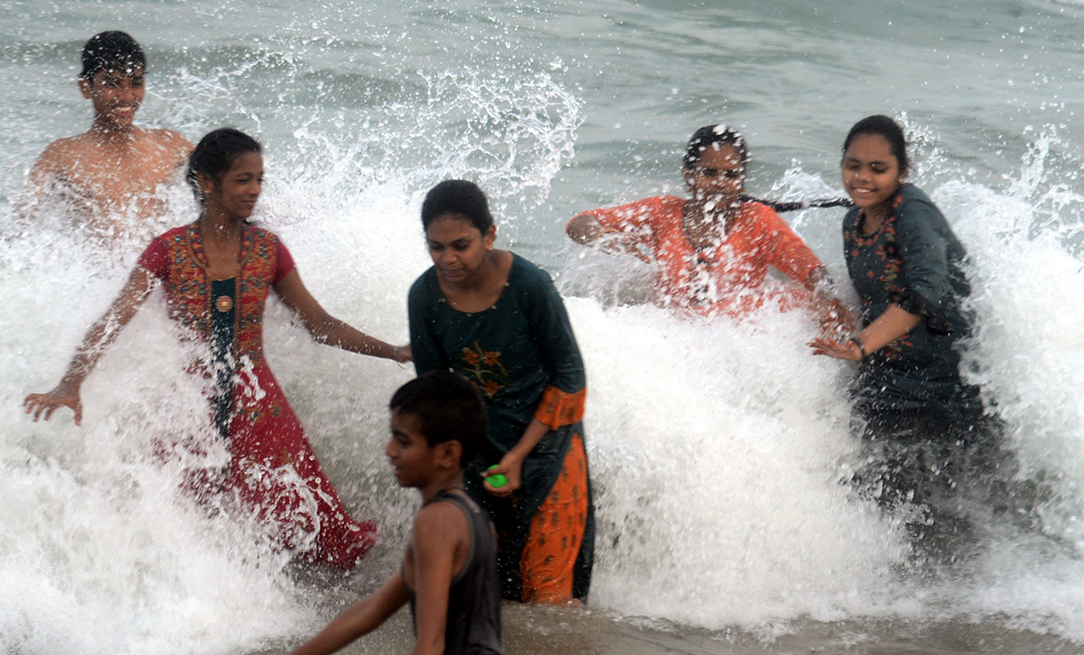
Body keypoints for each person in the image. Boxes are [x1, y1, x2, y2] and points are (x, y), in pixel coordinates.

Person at [24, 128, 410, 568]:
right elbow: (114, 319)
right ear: (207, 182)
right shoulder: (167, 250)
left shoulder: (268, 250)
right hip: (190, 404)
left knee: (310, 524)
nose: (255, 191)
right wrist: (70, 384)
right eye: (243, 179)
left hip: (257, 404)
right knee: (190, 520)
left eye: (259, 179)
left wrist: (393, 351)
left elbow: (319, 325)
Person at [808, 115, 1003, 531]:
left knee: (934, 511)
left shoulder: (913, 212)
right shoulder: (852, 223)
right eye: (853, 165)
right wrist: (837, 314)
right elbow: (875, 295)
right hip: (886, 378)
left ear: (902, 172)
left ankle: (943, 592)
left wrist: (860, 345)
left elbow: (924, 293)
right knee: (858, 486)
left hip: (945, 384)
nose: (862, 177)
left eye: (878, 169)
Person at [408, 180, 593, 606]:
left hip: (548, 446)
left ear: (490, 235)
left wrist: (517, 456)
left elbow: (570, 377)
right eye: (436, 247)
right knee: (484, 589)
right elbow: (435, 391)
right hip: (477, 453)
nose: (448, 259)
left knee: (548, 593)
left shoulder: (530, 285)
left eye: (461, 245)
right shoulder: (423, 295)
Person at [287, 371, 502, 655]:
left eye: (403, 441)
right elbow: (369, 612)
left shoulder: (435, 522)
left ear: (448, 454)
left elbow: (431, 644)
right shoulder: (477, 520)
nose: (389, 451)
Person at [566, 124, 852, 330]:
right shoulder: (662, 212)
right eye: (709, 173)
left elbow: (811, 269)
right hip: (670, 331)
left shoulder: (757, 220)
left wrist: (826, 301)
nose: (720, 182)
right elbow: (580, 223)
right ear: (688, 176)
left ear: (742, 179)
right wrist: (602, 238)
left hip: (735, 338)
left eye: (731, 175)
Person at [18, 31, 192, 237]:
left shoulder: (170, 145)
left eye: (136, 84)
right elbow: (19, 224)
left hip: (163, 268)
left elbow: (223, 187)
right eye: (112, 84)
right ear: (86, 87)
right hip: (99, 269)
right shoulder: (63, 155)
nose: (126, 97)